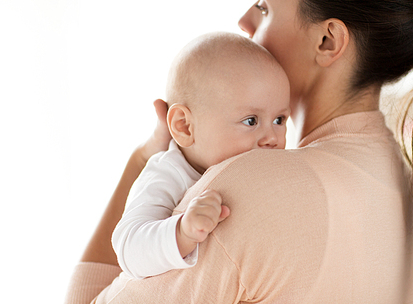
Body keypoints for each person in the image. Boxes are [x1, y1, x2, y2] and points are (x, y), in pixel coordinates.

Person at [64, 0, 413, 304]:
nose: (244, 20)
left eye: (265, 6)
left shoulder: (252, 186)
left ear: (328, 40)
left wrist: (148, 159)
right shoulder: (404, 181)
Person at [111, 32, 290, 279]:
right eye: (251, 121)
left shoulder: (271, 169)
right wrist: (182, 233)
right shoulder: (168, 174)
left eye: (279, 120)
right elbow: (129, 248)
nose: (272, 137)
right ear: (185, 126)